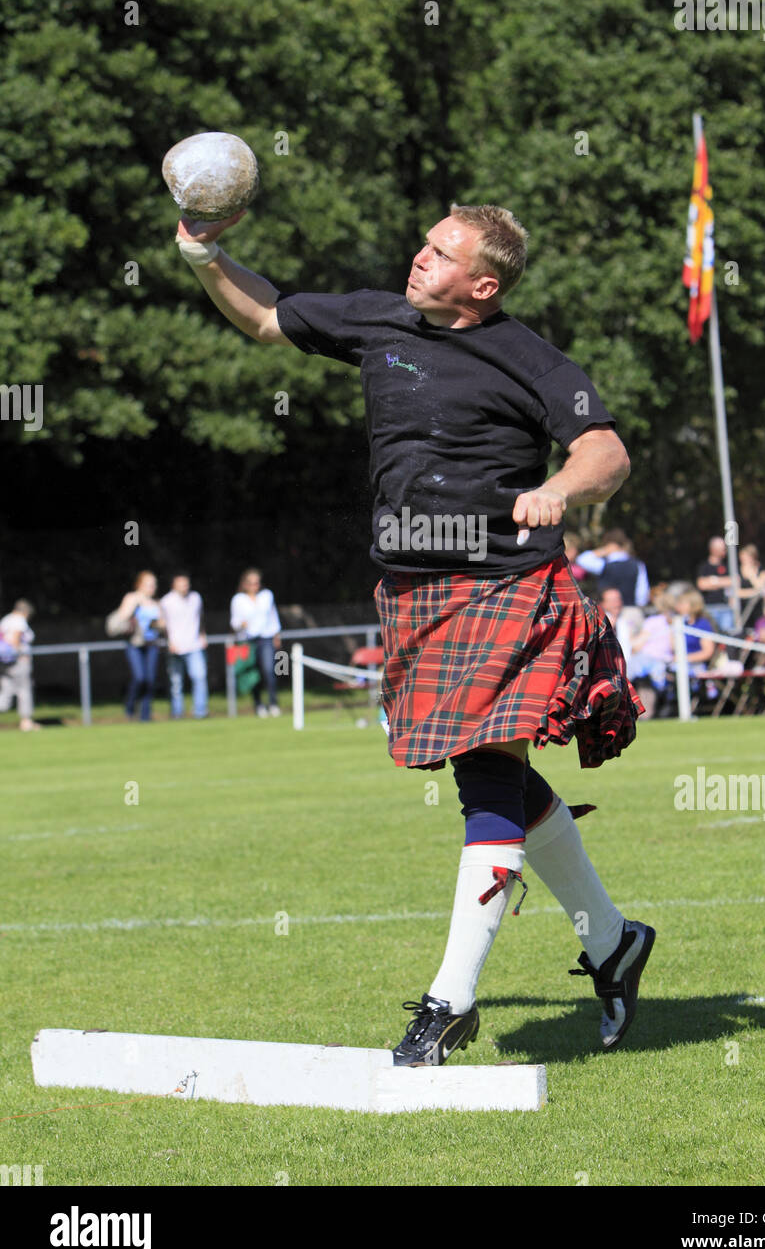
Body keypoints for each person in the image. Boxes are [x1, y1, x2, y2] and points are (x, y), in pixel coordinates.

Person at [175, 200, 652, 1064]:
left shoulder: (529, 357)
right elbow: (266, 317)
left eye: (440, 254)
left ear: (483, 283)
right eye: (424, 245)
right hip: (413, 588)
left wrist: (561, 488)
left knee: (485, 787)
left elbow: (606, 452)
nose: (418, 260)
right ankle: (614, 941)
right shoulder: (378, 317)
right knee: (490, 774)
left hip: (506, 581)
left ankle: (450, 1000)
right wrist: (203, 256)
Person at [229, 569, 282, 717]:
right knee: (253, 674)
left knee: (269, 670)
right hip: (247, 640)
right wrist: (241, 624)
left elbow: (273, 617)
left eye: (256, 583)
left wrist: (277, 634)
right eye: (251, 583)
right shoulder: (238, 600)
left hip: (266, 638)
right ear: (245, 584)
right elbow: (234, 622)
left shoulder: (267, 596)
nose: (254, 586)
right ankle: (258, 704)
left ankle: (273, 703)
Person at [114, 571, 164, 721]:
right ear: (140, 584)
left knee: (150, 679)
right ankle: (130, 708)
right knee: (139, 677)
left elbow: (162, 624)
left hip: (151, 644)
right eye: (149, 584)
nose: (153, 587)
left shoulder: (156, 603)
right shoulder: (131, 598)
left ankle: (145, 714)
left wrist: (157, 625)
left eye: (154, 584)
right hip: (135, 643)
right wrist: (134, 607)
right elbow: (121, 618)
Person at [160, 573, 209, 719]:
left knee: (199, 677)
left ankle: (200, 711)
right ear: (174, 585)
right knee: (176, 683)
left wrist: (202, 634)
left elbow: (200, 618)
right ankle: (177, 712)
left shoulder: (195, 598)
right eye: (181, 584)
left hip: (194, 645)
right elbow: (163, 625)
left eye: (186, 583)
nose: (184, 587)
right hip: (175, 647)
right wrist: (169, 641)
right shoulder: (166, 601)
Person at [577, 529, 650, 607]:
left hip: (607, 611)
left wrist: (604, 550)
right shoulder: (638, 564)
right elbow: (642, 593)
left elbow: (581, 559)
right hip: (630, 609)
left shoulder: (603, 565)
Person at [0, 598, 40, 731]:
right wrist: (19, 654)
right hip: (17, 661)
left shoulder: (6, 619)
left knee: (5, 695)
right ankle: (26, 722)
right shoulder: (19, 620)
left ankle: (26, 721)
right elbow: (16, 638)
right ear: (25, 612)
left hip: (4, 662)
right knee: (24, 690)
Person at [696, 536, 735, 632]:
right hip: (709, 608)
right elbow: (702, 584)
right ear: (713, 549)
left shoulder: (728, 566)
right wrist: (723, 582)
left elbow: (734, 581)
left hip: (725, 608)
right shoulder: (704, 567)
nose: (724, 551)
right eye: (722, 549)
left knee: (727, 637)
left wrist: (713, 581)